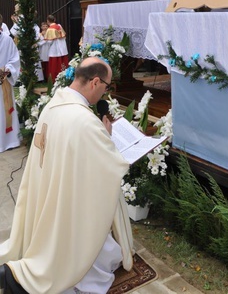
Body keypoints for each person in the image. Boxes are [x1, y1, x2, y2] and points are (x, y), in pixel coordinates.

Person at [0, 57, 134, 293]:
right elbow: (110, 166)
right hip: (72, 198)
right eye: (106, 87)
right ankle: (27, 278)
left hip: (51, 186)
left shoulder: (53, 105)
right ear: (94, 82)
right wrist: (106, 136)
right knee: (91, 247)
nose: (105, 93)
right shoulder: (85, 121)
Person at [0, 22, 21, 153]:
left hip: (3, 82)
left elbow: (15, 59)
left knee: (4, 111)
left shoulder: (7, 40)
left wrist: (7, 69)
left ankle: (8, 141)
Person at [45, 14, 69, 82]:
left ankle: (54, 79)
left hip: (54, 50)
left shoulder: (50, 29)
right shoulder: (59, 26)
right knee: (62, 63)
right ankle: (64, 77)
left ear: (48, 21)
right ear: (54, 19)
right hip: (62, 48)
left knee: (54, 65)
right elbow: (63, 36)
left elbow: (49, 42)